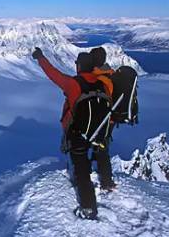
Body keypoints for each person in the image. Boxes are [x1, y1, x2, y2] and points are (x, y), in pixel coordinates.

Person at [31, 47, 114, 220]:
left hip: (77, 133)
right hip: (97, 133)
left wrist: (40, 57)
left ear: (79, 67)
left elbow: (53, 74)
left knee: (81, 169)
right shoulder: (102, 85)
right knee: (88, 162)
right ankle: (106, 182)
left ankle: (88, 207)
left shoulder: (73, 83)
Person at [89, 47, 117, 191]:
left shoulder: (97, 77)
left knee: (101, 148)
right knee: (101, 145)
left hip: (102, 118)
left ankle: (106, 181)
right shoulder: (110, 74)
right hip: (110, 119)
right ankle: (98, 171)